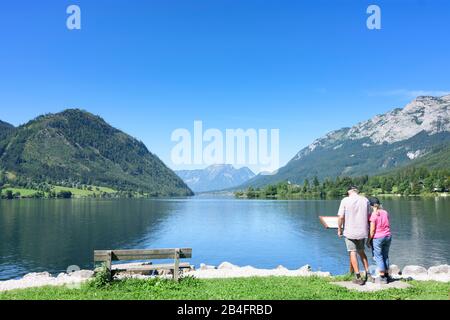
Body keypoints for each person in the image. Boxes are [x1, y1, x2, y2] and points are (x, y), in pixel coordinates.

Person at [337, 186, 371, 285]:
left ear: (349, 192)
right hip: (362, 231)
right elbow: (369, 216)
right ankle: (368, 274)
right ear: (357, 191)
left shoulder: (345, 200)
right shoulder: (365, 200)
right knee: (361, 252)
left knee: (352, 252)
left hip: (350, 231)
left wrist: (339, 229)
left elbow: (341, 217)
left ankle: (358, 276)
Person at [367, 197, 392, 284]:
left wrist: (368, 240)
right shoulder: (385, 212)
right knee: (385, 255)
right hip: (388, 236)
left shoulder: (373, 215)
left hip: (378, 237)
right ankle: (386, 275)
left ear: (371, 206)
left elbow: (372, 230)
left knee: (378, 256)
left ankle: (382, 277)